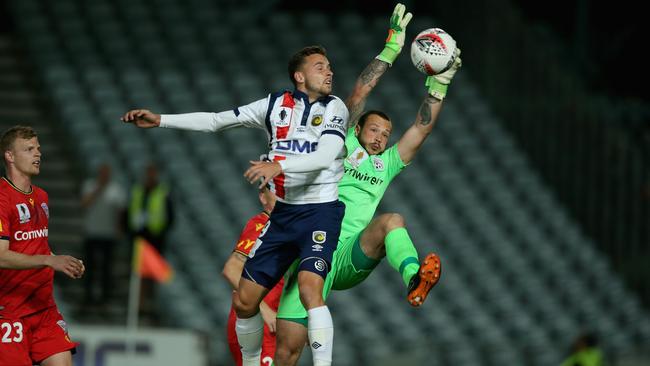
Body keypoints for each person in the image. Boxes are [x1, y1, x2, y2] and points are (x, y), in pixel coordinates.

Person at [121, 43, 349, 366]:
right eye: (320, 66)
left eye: (329, 66)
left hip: (320, 212)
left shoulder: (335, 107)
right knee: (245, 302)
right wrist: (160, 120)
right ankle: (252, 361)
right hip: (283, 215)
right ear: (299, 76)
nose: (329, 71)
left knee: (310, 289)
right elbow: (216, 120)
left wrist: (278, 166)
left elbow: (325, 156)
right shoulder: (273, 106)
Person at [273, 4, 463, 364]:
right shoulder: (339, 144)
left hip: (348, 256)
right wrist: (391, 48)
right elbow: (358, 95)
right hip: (313, 247)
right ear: (357, 129)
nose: (380, 137)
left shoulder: (386, 163)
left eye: (385, 134)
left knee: (392, 220)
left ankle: (414, 278)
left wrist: (439, 84)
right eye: (374, 129)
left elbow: (421, 129)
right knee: (287, 352)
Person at [0, 125, 85, 366]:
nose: (38, 154)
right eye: (28, 149)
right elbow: (1, 256)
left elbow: (35, 246)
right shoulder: (1, 198)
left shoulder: (42, 197)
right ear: (10, 156)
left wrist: (62, 260)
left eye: (38, 148)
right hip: (9, 312)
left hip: (43, 307)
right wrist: (49, 260)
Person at [222, 187, 282, 366]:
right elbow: (231, 269)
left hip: (271, 324)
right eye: (276, 190)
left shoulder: (285, 228)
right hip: (260, 323)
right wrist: (265, 310)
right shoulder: (262, 225)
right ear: (263, 197)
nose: (283, 194)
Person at [126, 162, 174, 322]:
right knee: (138, 272)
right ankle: (138, 304)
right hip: (139, 238)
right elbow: (129, 212)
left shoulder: (163, 192)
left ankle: (149, 304)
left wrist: (160, 231)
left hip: (155, 239)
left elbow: (170, 217)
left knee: (152, 274)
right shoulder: (138, 191)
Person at [80, 162, 127, 305]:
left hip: (109, 235)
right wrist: (98, 188)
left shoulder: (116, 190)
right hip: (92, 233)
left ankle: (105, 298)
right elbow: (85, 203)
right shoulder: (89, 186)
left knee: (107, 268)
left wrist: (119, 228)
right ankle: (88, 296)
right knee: (89, 267)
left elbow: (121, 211)